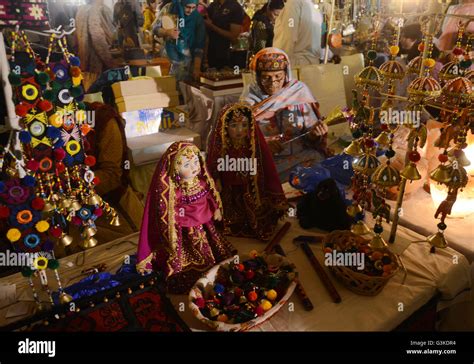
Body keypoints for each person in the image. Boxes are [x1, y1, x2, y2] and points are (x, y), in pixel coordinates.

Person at [136, 141, 235, 293]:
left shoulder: (202, 183)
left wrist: (216, 209)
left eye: (196, 162)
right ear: (175, 169)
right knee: (188, 249)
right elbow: (168, 210)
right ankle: (194, 271)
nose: (194, 167)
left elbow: (210, 196)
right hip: (186, 228)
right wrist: (172, 227)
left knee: (213, 245)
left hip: (205, 224)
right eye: (187, 165)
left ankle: (213, 266)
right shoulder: (175, 192)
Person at [241, 47, 330, 181]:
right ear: (257, 77)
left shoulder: (299, 93)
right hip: (266, 162)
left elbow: (310, 137)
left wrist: (314, 134)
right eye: (266, 78)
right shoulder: (248, 101)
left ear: (286, 74)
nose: (273, 83)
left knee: (318, 161)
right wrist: (263, 146)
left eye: (278, 77)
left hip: (298, 159)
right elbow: (238, 141)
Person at [206, 103, 288, 241]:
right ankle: (231, 222)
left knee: (250, 209)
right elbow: (214, 163)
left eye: (244, 125)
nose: (239, 130)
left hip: (248, 188)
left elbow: (263, 165)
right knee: (229, 208)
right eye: (233, 125)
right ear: (225, 127)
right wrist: (217, 179)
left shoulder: (252, 145)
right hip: (228, 189)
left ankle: (251, 222)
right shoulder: (222, 146)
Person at [153, 0, 205, 82]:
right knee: (169, 88)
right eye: (187, 7)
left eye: (193, 7)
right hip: (169, 59)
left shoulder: (197, 17)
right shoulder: (169, 8)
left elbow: (199, 43)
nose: (190, 10)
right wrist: (167, 32)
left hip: (188, 62)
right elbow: (154, 28)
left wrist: (196, 67)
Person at [75, 0, 117, 90]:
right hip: (96, 62)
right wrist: (109, 60)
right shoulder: (96, 9)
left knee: (89, 90)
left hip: (84, 60)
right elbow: (97, 36)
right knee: (99, 92)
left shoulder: (81, 10)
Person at [272, 0, 323, 66]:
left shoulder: (292, 5)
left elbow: (287, 38)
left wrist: (277, 64)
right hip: (312, 64)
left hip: (296, 66)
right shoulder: (312, 7)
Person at [204, 0, 245, 69]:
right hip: (210, 53)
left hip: (226, 55)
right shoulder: (213, 5)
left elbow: (233, 36)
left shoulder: (235, 7)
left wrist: (212, 26)